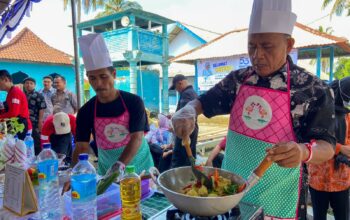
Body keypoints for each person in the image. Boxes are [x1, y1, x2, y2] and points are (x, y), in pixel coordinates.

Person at [171, 0, 335, 218]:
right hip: (228, 195)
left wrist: (303, 151)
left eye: (267, 46)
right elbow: (203, 102)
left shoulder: (313, 88)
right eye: (251, 46)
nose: (257, 55)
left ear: (289, 45)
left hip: (278, 199)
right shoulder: (238, 80)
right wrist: (189, 110)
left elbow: (328, 146)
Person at [71, 33, 153, 177]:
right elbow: (81, 146)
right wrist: (73, 173)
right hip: (106, 170)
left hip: (140, 166)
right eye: (92, 78)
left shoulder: (133, 102)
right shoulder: (86, 111)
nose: (98, 84)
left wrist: (119, 165)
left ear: (113, 74)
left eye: (103, 77)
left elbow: (137, 138)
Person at [308, 77, 350, 220]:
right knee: (319, 217)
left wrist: (346, 150)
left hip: (342, 178)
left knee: (343, 216)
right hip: (319, 177)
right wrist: (340, 149)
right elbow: (311, 139)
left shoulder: (347, 115)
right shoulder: (319, 111)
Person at [169, 74, 198, 168]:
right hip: (191, 129)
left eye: (176, 88)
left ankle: (178, 180)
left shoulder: (186, 94)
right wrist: (173, 116)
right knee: (188, 159)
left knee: (179, 160)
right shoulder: (192, 92)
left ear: (180, 83)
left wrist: (175, 129)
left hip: (185, 132)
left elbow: (184, 118)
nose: (177, 90)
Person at [0, 70, 31, 140]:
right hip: (15, 124)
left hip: (21, 125)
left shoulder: (15, 92)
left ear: (6, 80)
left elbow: (13, 113)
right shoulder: (10, 92)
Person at [23, 77, 47, 155]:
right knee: (25, 140)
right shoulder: (22, 95)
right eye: (27, 83)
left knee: (36, 140)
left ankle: (38, 156)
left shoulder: (38, 95)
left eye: (31, 83)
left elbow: (42, 108)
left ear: (34, 85)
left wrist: (40, 122)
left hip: (35, 122)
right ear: (24, 85)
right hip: (24, 122)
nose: (28, 85)